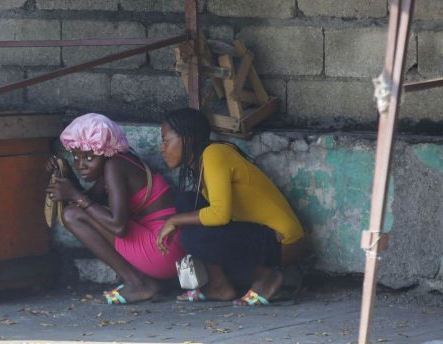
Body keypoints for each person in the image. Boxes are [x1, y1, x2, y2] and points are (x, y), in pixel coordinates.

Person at [156, 108, 305, 306]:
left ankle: (265, 277)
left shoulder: (214, 154)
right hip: (259, 235)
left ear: (188, 138)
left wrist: (173, 221)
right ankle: (219, 285)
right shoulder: (199, 165)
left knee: (192, 235)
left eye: (166, 140)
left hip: (282, 241)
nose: (162, 148)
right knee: (187, 201)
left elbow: (220, 215)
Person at [45, 113, 185, 304]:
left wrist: (74, 195)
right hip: (170, 246)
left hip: (163, 248)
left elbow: (118, 226)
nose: (81, 165)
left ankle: (137, 283)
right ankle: (141, 281)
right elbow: (89, 201)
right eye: (76, 157)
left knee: (71, 215)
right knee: (77, 211)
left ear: (105, 151)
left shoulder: (114, 166)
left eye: (88, 157)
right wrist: (67, 175)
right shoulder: (117, 161)